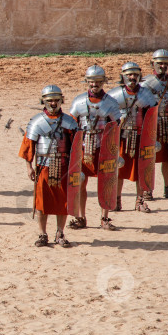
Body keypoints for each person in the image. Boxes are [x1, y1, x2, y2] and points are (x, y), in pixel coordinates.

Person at [19, 85, 78, 247]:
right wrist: (29, 167)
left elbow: (77, 147)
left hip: (64, 167)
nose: (53, 103)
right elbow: (28, 146)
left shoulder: (70, 122)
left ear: (61, 101)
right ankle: (42, 234)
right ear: (43, 101)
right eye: (49, 100)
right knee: (42, 203)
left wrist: (76, 169)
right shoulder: (36, 121)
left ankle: (60, 233)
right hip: (43, 166)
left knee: (62, 202)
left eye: (56, 100)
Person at [68, 65, 121, 231]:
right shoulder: (78, 101)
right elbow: (71, 125)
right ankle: (80, 217)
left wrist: (115, 151)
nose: (94, 85)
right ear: (87, 82)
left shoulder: (111, 103)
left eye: (98, 81)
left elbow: (116, 127)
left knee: (106, 183)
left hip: (103, 148)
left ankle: (104, 218)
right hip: (83, 148)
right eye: (91, 82)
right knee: (80, 184)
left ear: (103, 82)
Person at [107, 62, 157, 212]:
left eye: (135, 74)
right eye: (129, 74)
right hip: (121, 137)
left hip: (140, 136)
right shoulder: (114, 95)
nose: (132, 77)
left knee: (141, 169)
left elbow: (152, 117)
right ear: (123, 76)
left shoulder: (146, 94)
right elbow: (108, 118)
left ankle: (139, 200)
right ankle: (116, 200)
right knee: (119, 168)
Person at [140, 49, 168, 201]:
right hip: (151, 125)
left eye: (166, 63)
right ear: (153, 63)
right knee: (149, 157)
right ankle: (147, 189)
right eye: (159, 63)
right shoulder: (144, 83)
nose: (163, 66)